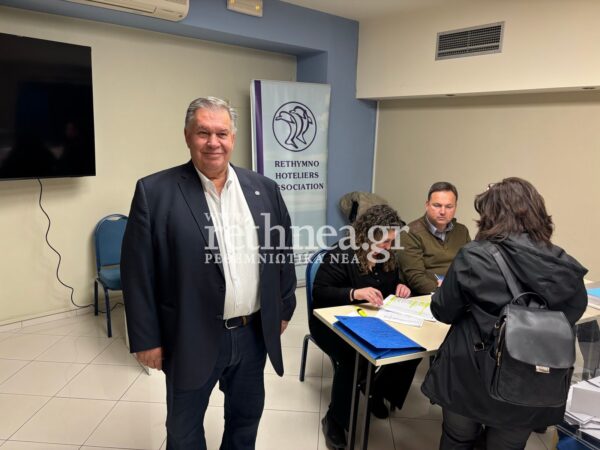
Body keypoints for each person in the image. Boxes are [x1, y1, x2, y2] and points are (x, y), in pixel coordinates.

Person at [121, 96, 297, 450]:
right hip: (190, 335)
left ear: (233, 138)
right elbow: (137, 273)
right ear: (187, 136)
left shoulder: (264, 189)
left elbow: (281, 253)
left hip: (251, 335)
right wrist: (146, 339)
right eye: (203, 133)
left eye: (222, 133)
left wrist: (283, 308)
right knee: (184, 431)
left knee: (246, 419)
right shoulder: (154, 192)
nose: (213, 142)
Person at [421, 177, 588, 450]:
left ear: (490, 215)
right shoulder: (563, 263)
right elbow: (573, 310)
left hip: (470, 371)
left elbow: (443, 310)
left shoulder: (474, 256)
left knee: (458, 439)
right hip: (530, 377)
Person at [310, 204, 422, 449]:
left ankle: (375, 390)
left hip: (372, 320)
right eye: (385, 242)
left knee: (412, 350)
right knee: (353, 357)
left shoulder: (386, 256)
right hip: (332, 324)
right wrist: (354, 293)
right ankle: (335, 420)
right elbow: (320, 293)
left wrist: (400, 288)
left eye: (392, 241)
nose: (389, 247)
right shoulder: (343, 253)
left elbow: (389, 285)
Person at [398, 181, 471, 295]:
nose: (442, 211)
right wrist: (446, 293)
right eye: (437, 205)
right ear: (427, 205)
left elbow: (469, 267)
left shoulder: (462, 231)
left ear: (455, 207)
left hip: (459, 293)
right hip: (429, 296)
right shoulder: (410, 233)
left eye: (449, 206)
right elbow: (416, 278)